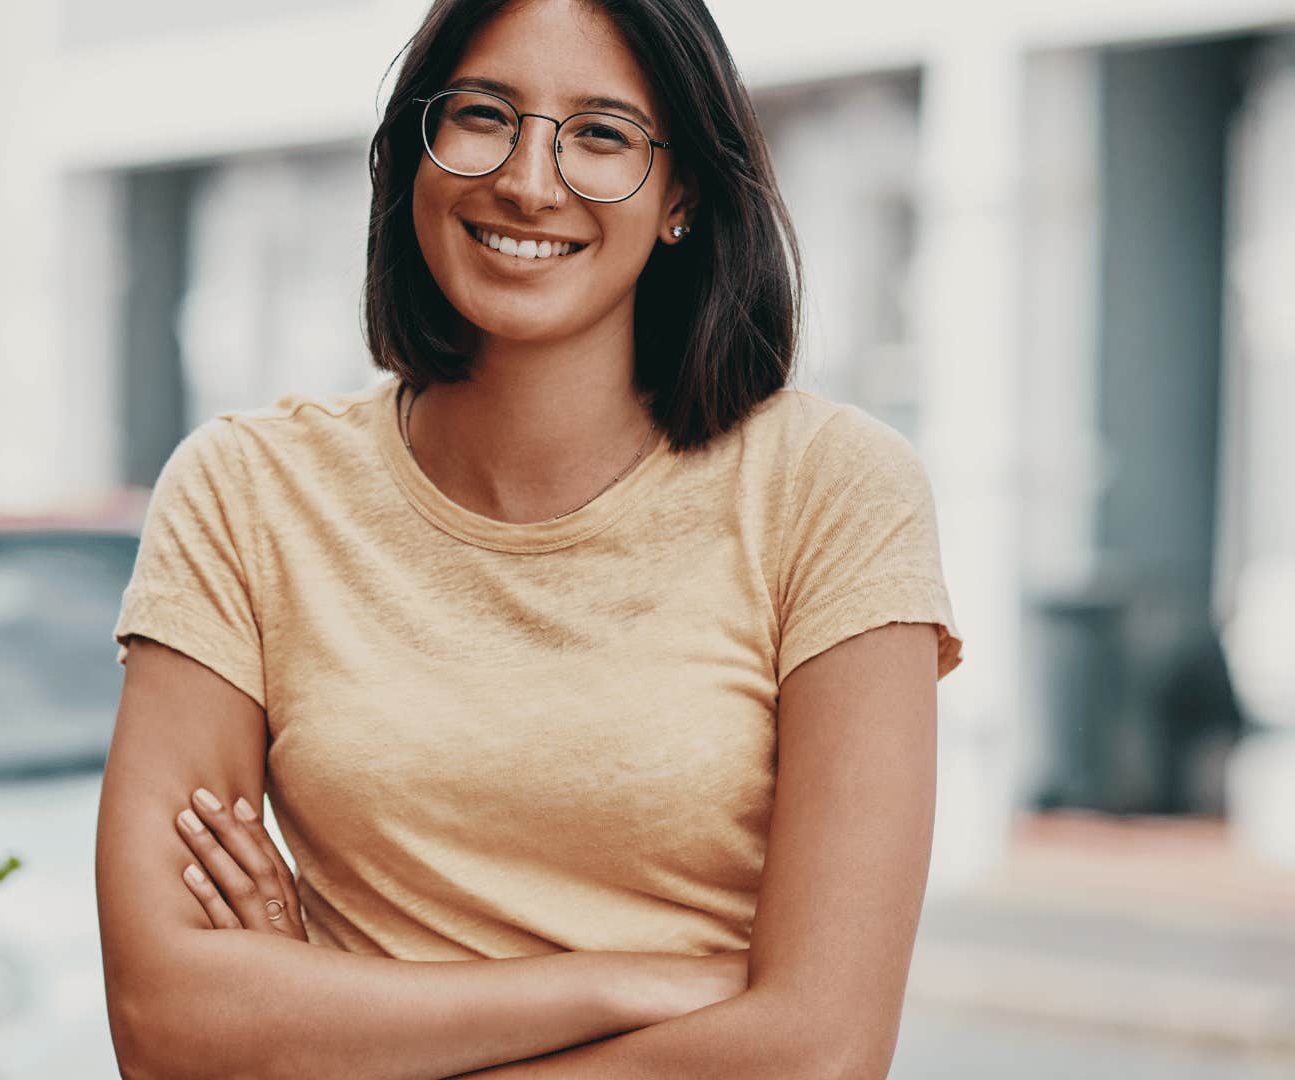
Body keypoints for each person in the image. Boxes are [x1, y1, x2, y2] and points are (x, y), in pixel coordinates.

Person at [95, 0, 965, 1076]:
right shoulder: (245, 493)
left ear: (682, 189)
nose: (529, 180)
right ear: (414, 147)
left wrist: (330, 1029)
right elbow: (166, 1020)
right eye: (481, 115)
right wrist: (613, 983)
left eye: (602, 134)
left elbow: (817, 1050)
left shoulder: (832, 491)